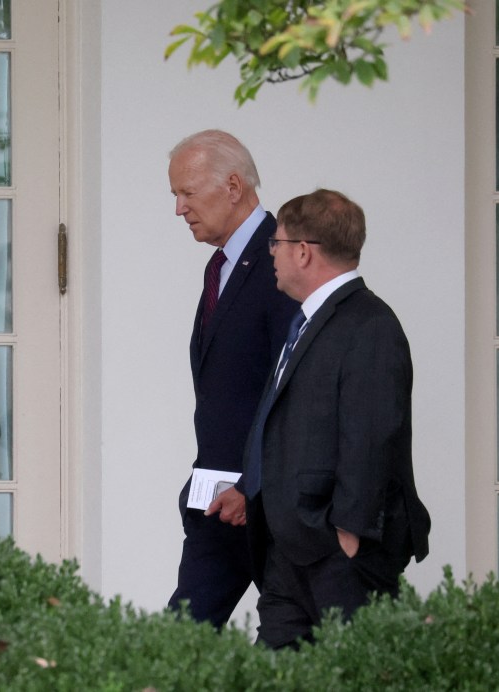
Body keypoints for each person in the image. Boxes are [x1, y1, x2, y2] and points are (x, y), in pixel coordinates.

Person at [242, 188, 431, 649]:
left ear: (303, 252)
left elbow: (371, 434)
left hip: (338, 554)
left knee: (349, 675)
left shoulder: (370, 325)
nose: (272, 254)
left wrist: (348, 533)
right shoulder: (309, 320)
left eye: (277, 244)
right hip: (289, 547)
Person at [167, 130, 300, 628]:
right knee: (178, 641)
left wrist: (253, 484)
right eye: (175, 195)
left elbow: (290, 389)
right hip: (216, 506)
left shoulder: (280, 260)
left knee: (295, 645)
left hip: (265, 508)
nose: (180, 208)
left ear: (232, 186)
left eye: (188, 192)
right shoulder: (220, 265)